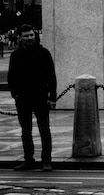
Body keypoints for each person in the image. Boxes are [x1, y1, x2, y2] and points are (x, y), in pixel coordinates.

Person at [8, 24, 57, 172]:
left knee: (44, 130)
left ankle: (46, 161)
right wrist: (15, 93)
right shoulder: (15, 55)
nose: (30, 38)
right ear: (20, 38)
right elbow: (12, 76)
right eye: (26, 36)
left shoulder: (43, 53)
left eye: (31, 35)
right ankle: (28, 159)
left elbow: (51, 77)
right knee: (25, 130)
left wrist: (52, 97)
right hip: (22, 98)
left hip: (40, 97)